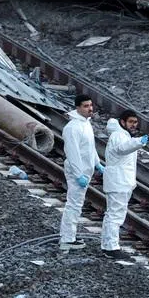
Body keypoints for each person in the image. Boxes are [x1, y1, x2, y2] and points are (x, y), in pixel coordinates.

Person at [101, 110, 149, 258]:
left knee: (114, 214)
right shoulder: (119, 135)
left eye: (135, 122)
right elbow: (122, 149)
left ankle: (108, 245)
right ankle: (111, 248)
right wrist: (138, 142)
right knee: (115, 215)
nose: (134, 125)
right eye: (131, 122)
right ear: (122, 122)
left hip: (121, 181)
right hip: (119, 181)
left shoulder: (124, 135)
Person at [60, 94, 98, 252]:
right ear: (77, 107)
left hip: (85, 169)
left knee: (77, 204)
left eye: (90, 105)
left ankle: (70, 236)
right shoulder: (72, 128)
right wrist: (78, 174)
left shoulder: (86, 124)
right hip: (78, 171)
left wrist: (97, 163)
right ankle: (67, 239)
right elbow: (72, 152)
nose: (90, 109)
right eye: (86, 106)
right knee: (73, 204)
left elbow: (90, 147)